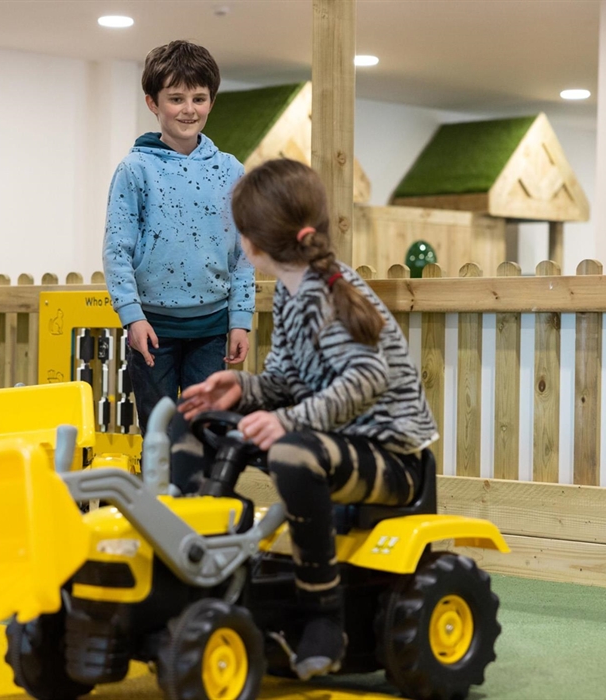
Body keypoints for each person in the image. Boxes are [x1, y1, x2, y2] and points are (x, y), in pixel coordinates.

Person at [175, 158, 439, 681]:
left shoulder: (329, 294)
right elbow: (283, 383)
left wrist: (291, 420)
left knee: (291, 450)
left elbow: (367, 377)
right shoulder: (294, 296)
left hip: (393, 457)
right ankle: (211, 557)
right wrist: (241, 388)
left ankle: (324, 613)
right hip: (335, 443)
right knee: (189, 420)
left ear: (255, 241)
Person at [103, 40, 254, 432]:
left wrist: (240, 319)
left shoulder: (231, 170)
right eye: (176, 98)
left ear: (211, 102)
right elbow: (116, 251)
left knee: (209, 431)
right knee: (160, 434)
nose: (189, 109)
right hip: (152, 329)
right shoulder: (134, 169)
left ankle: (203, 496)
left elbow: (244, 253)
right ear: (153, 103)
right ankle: (161, 496)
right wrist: (131, 317)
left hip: (212, 328)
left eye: (199, 98)